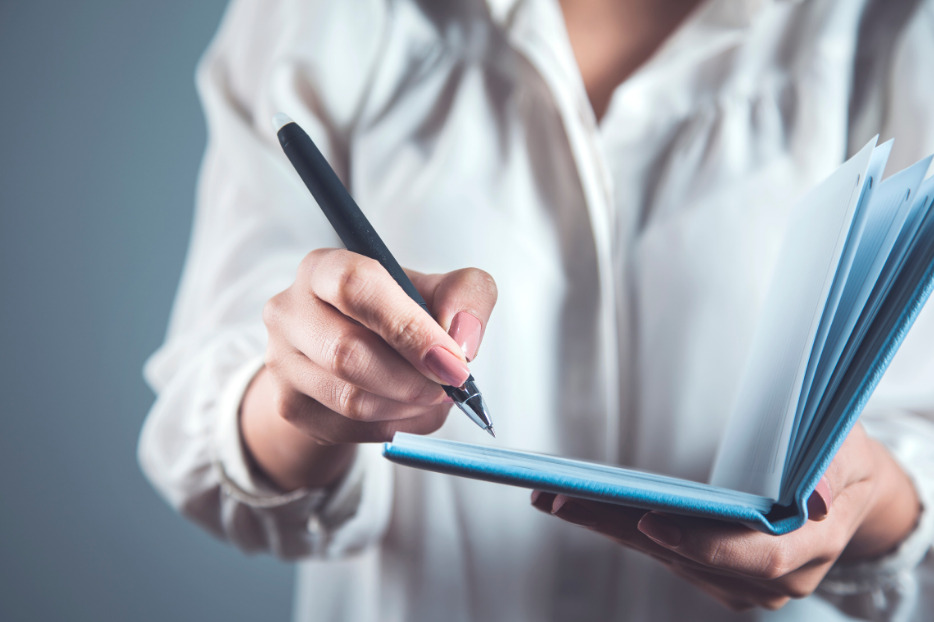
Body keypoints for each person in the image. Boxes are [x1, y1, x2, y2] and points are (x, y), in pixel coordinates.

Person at [139, 0, 934, 619]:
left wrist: (876, 506)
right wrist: (307, 390)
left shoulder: (902, 34)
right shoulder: (329, 20)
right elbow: (203, 432)